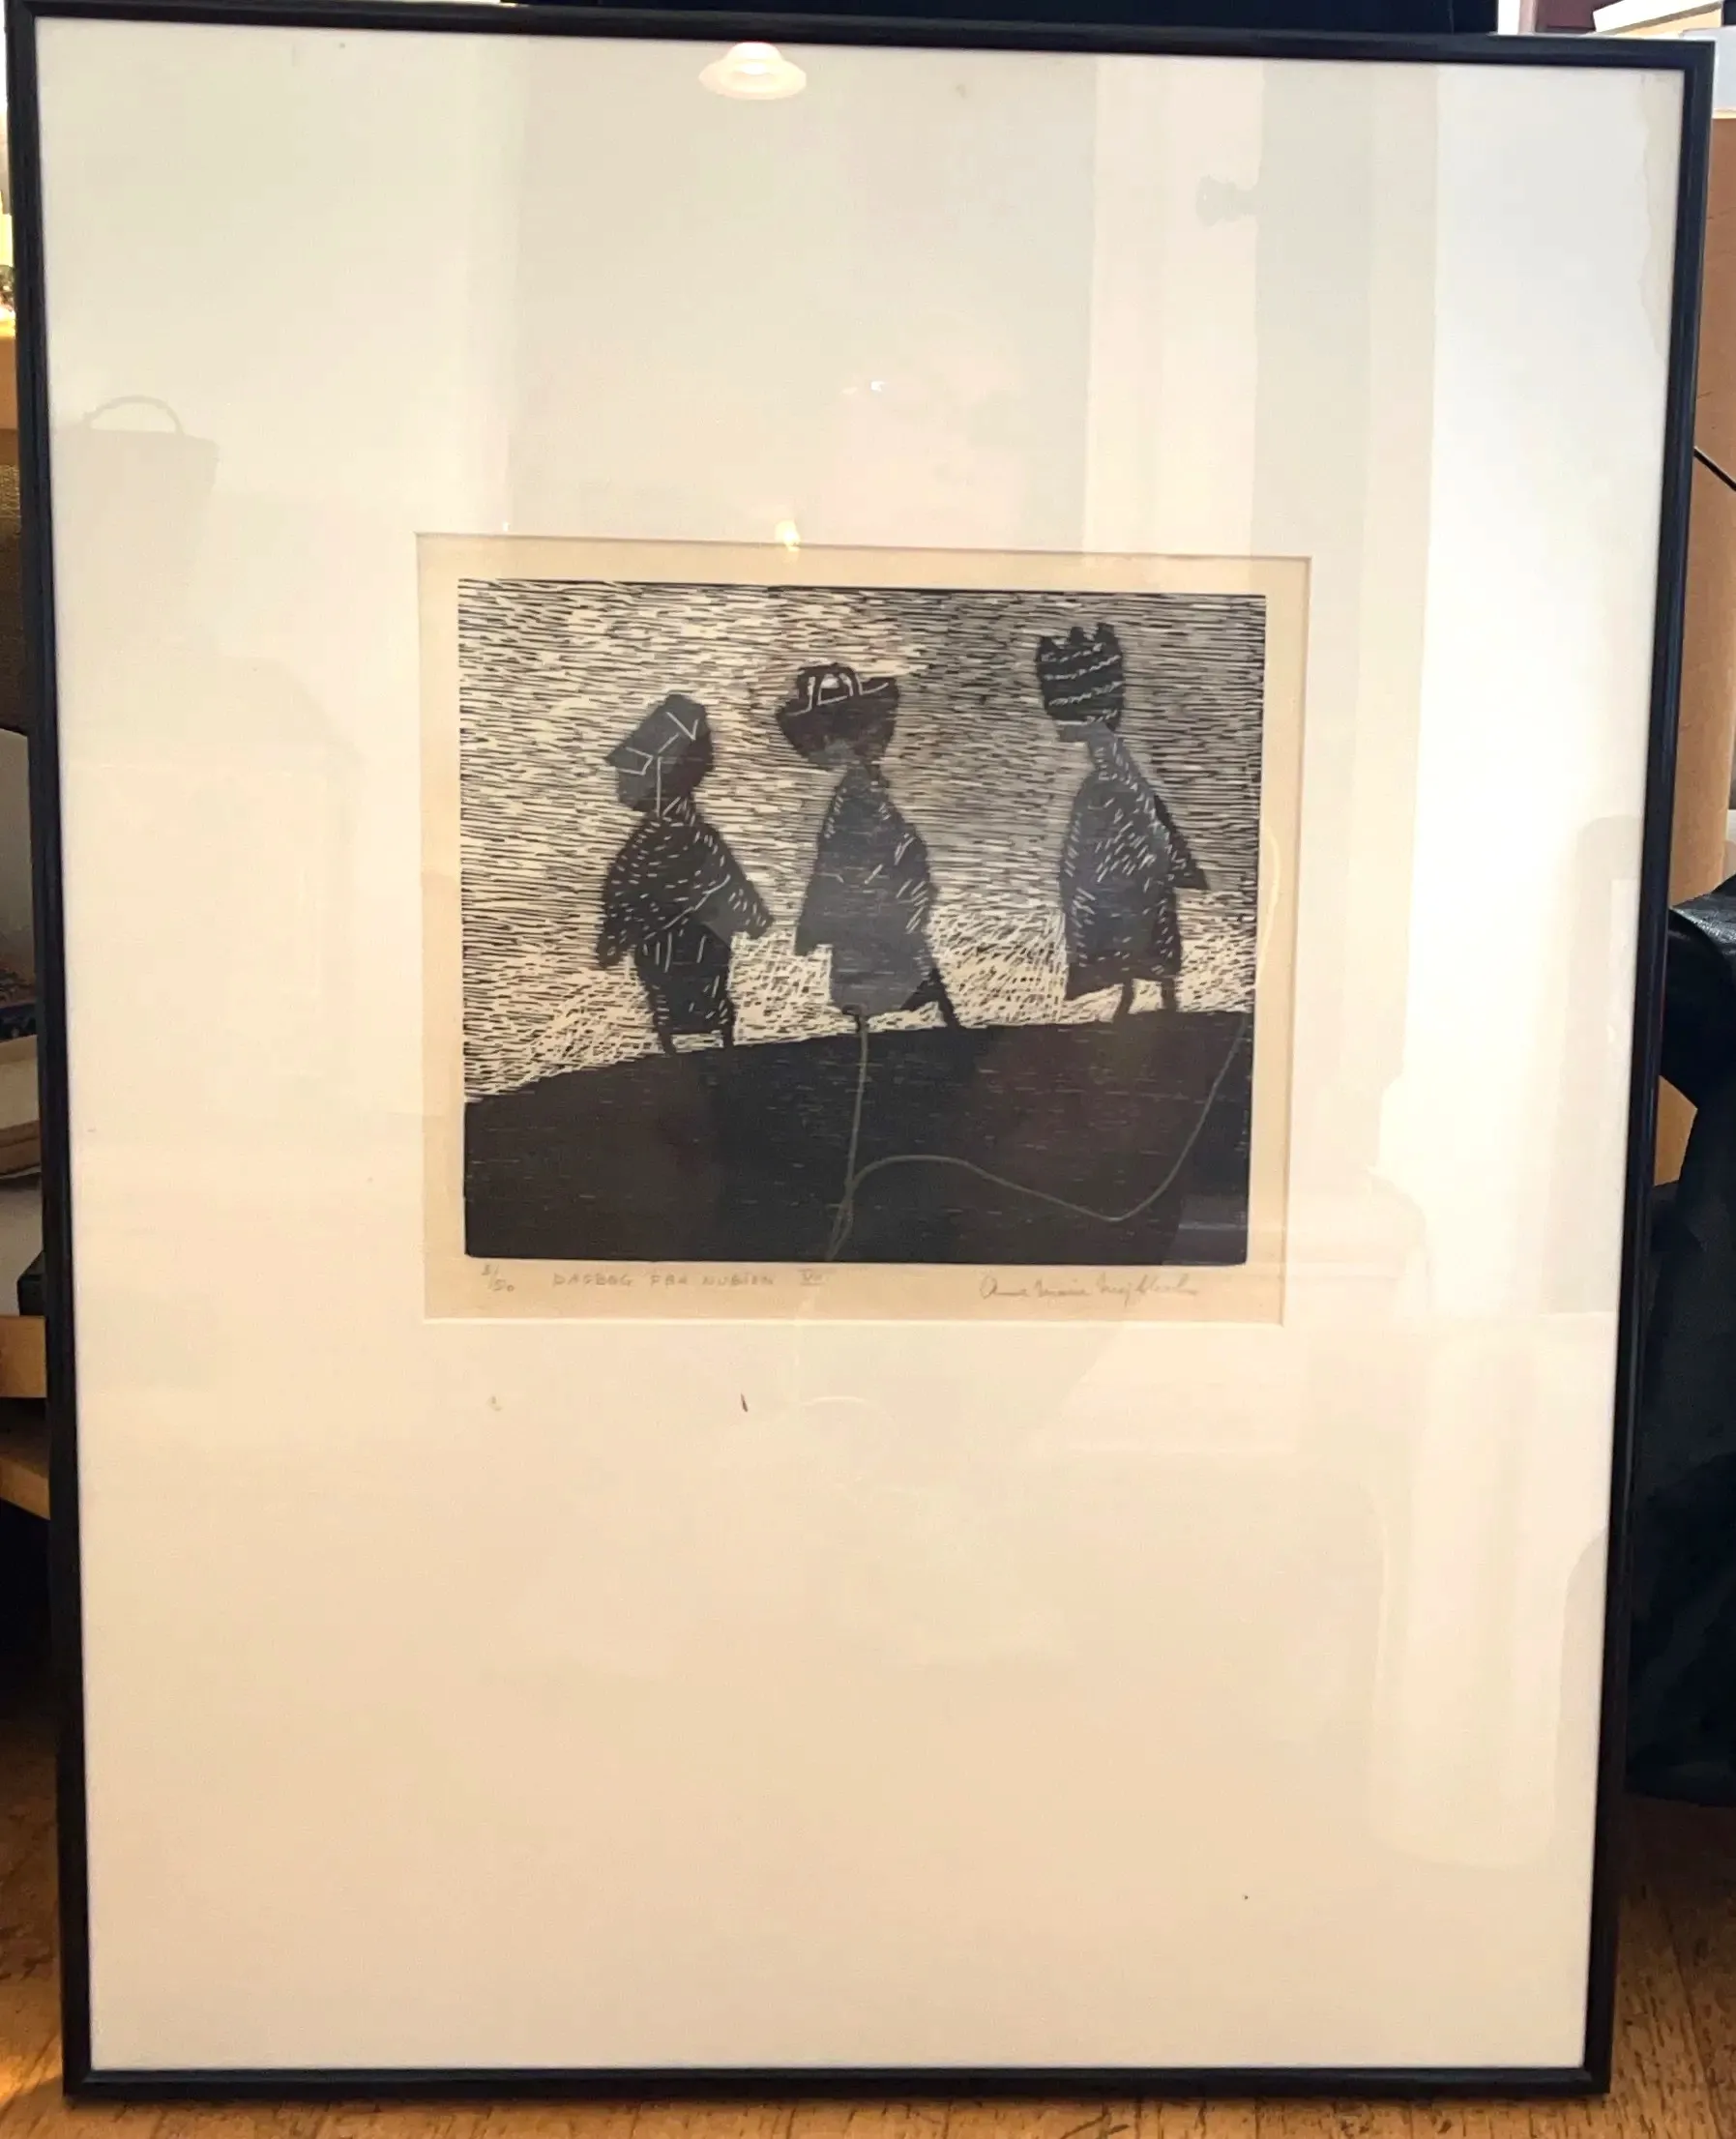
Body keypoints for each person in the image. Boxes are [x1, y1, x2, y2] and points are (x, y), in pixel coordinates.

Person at [777, 661, 960, 1032]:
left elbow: (837, 860)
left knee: (890, 972)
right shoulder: (857, 795)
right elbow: (843, 859)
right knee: (895, 970)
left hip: (872, 909)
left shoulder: (859, 793)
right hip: (873, 908)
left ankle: (880, 1028)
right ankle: (934, 1027)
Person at [1036, 622, 1207, 1018]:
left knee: (1141, 930)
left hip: (1135, 873)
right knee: (1137, 931)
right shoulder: (1110, 775)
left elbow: (1144, 819)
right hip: (1133, 872)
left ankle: (1154, 999)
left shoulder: (1113, 774)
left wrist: (1163, 860)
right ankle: (1144, 997)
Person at [596, 692, 771, 1053]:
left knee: (682, 995)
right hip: (695, 940)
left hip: (678, 942)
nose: (621, 782)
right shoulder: (694, 836)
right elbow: (728, 880)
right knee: (696, 994)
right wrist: (752, 916)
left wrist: (614, 937)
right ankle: (711, 1045)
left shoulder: (653, 843)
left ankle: (693, 1047)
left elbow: (624, 890)